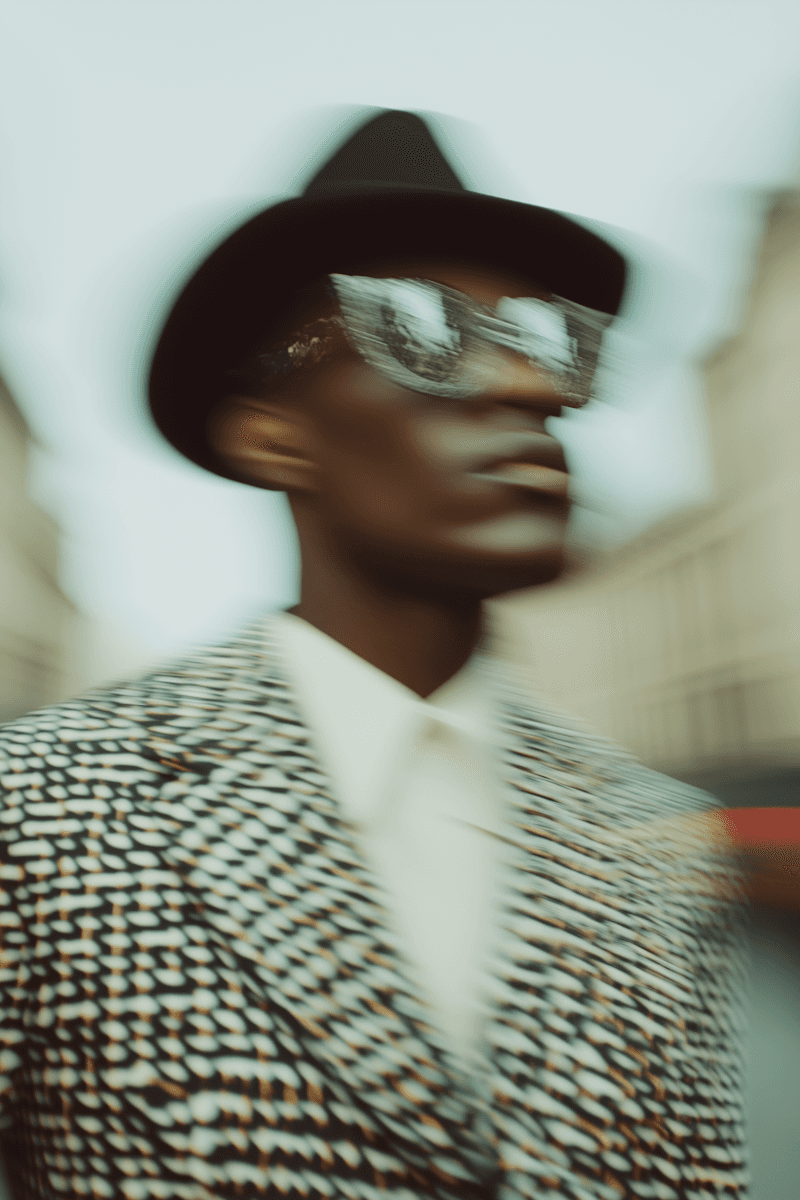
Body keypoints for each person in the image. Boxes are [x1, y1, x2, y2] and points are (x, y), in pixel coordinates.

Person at [0, 109, 760, 1200]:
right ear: (271, 431)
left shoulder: (649, 836)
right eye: (422, 331)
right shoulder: (39, 812)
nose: (529, 388)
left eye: (555, 340)